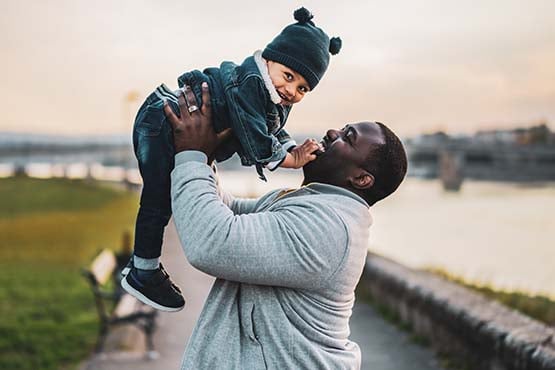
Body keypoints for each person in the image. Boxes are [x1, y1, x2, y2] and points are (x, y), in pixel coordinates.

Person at [163, 84, 408, 369]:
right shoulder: (315, 205)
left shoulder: (329, 227)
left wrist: (191, 154)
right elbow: (227, 212)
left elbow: (212, 242)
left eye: (347, 138)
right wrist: (205, 153)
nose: (332, 133)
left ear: (361, 179)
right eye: (342, 128)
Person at [121, 7, 342, 312]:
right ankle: (143, 272)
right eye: (288, 77)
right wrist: (287, 160)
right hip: (163, 120)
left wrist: (291, 146)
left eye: (303, 88)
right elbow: (254, 134)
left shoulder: (272, 91)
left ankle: (143, 265)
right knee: (158, 199)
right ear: (268, 60)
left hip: (169, 122)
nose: (291, 90)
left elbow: (272, 126)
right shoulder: (253, 82)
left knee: (165, 197)